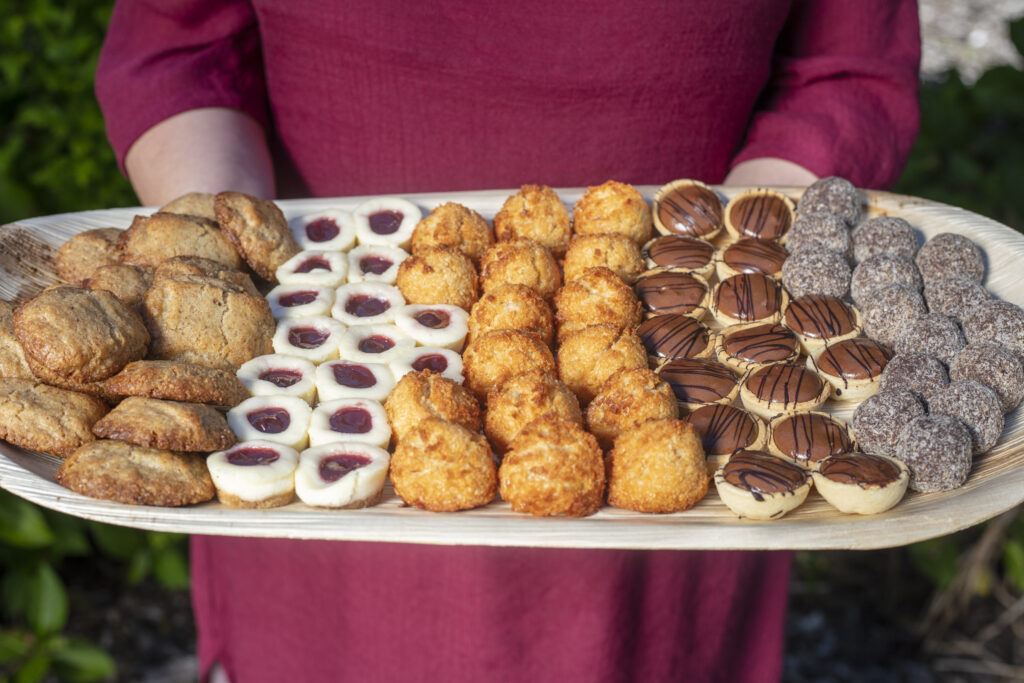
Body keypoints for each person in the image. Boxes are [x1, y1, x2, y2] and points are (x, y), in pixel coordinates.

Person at [95, 1, 921, 681]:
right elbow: (181, 45)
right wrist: (227, 272)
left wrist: (729, 277)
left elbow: (847, 71)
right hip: (320, 374)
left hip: (686, 393)